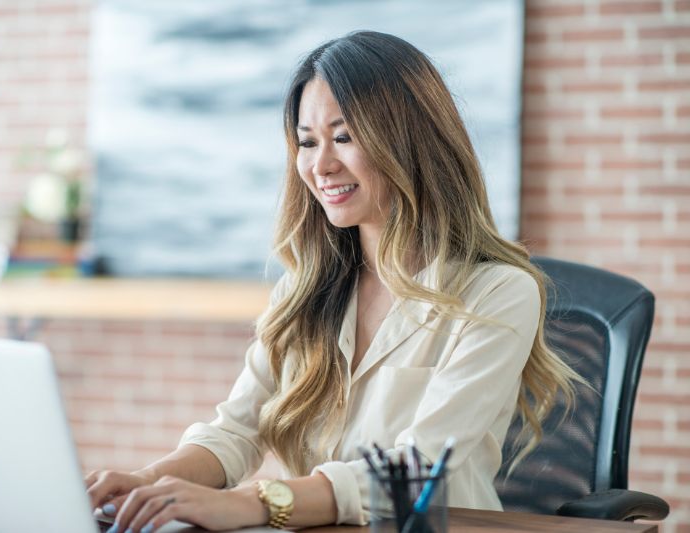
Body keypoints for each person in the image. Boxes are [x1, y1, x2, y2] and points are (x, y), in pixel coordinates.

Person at [85, 30, 579, 533]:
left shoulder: (498, 293)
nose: (320, 166)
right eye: (307, 142)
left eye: (343, 137)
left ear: (409, 141)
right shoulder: (302, 295)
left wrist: (256, 502)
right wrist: (148, 481)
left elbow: (414, 471)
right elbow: (236, 432)